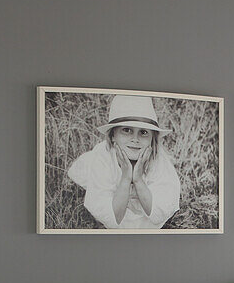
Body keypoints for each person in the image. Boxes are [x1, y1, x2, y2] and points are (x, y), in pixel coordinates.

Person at [67, 94, 180, 229]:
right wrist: (126, 177)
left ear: (152, 138)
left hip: (144, 204)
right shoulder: (104, 157)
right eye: (127, 130)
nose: (135, 139)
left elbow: (158, 213)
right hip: (115, 201)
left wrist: (137, 179)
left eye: (143, 132)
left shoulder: (158, 160)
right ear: (113, 135)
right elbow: (114, 219)